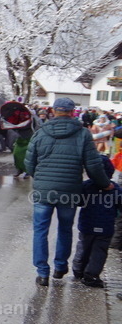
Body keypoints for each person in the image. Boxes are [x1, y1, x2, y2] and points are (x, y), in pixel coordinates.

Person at [25, 96, 112, 286]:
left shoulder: (40, 132)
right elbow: (93, 165)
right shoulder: (82, 134)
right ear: (72, 112)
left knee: (40, 230)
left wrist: (39, 178)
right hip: (70, 190)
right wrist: (105, 183)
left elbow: (29, 163)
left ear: (54, 111)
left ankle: (42, 273)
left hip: (43, 191)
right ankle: (60, 267)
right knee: (65, 229)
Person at [71, 155, 122, 288]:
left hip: (87, 225)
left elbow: (78, 201)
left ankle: (78, 270)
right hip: (106, 227)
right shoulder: (115, 188)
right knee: (99, 251)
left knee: (83, 247)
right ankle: (91, 275)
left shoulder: (86, 186)